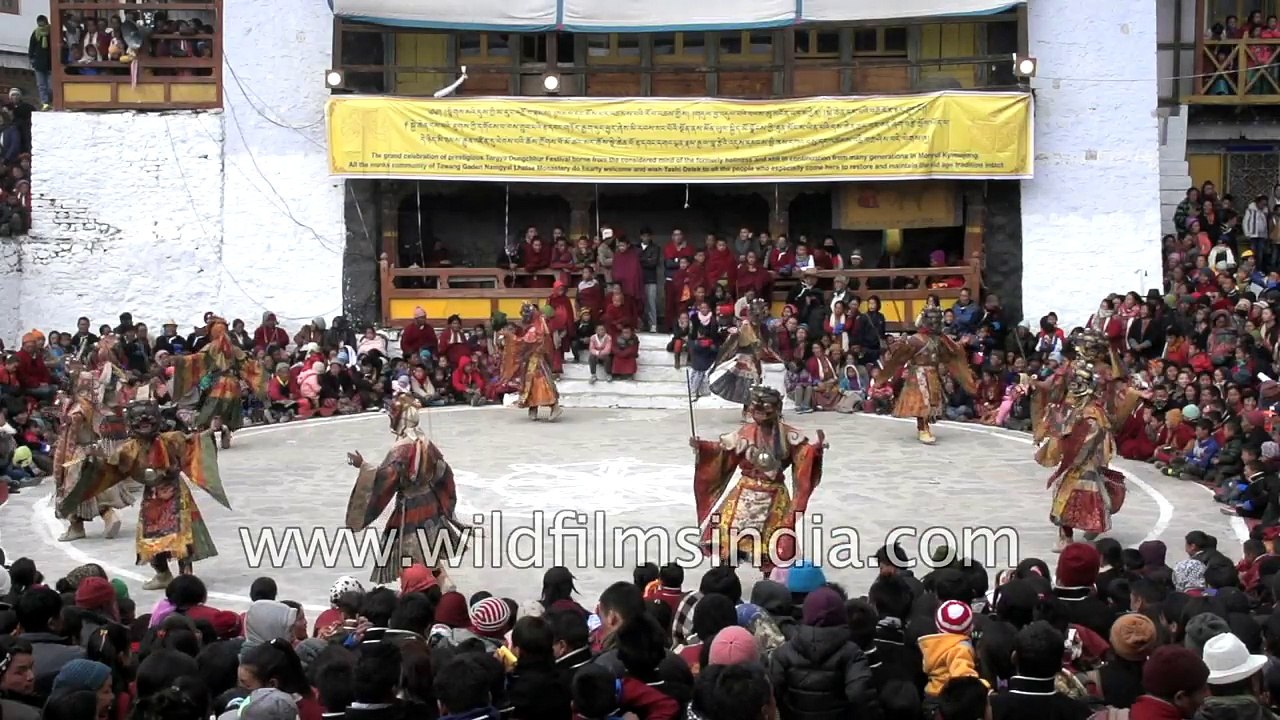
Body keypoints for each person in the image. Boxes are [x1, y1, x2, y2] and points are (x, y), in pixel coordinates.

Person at [57, 400, 229, 590]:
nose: (144, 422)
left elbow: (193, 444)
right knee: (151, 538)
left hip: (176, 493)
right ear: (131, 423)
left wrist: (209, 432)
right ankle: (163, 574)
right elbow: (110, 466)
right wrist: (94, 460)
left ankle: (185, 574)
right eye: (138, 420)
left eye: (148, 418)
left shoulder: (171, 439)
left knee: (182, 535)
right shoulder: (128, 449)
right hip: (152, 497)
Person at [690, 386, 825, 574]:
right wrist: (703, 447)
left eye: (765, 408)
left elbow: (804, 453)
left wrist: (815, 451)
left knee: (771, 544)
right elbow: (723, 449)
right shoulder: (745, 432)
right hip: (744, 492)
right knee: (730, 538)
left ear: (776, 409)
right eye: (755, 407)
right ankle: (725, 578)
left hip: (774, 493)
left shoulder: (789, 435)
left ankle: (770, 583)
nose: (758, 412)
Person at [345, 392, 465, 588]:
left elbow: (387, 477)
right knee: (428, 550)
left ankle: (420, 590)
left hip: (410, 506)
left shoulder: (401, 449)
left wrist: (364, 466)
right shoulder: (425, 442)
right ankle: (442, 582)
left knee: (408, 554)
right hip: (430, 502)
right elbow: (443, 470)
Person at [1035, 361, 1127, 550]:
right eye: (1074, 382)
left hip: (1086, 460)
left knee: (1078, 495)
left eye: (1079, 383)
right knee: (1064, 495)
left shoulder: (1093, 413)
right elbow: (1063, 428)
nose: (1074, 386)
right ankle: (1066, 535)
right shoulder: (1074, 407)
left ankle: (1079, 531)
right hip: (1074, 458)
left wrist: (1073, 454)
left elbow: (1091, 437)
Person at [51, 370, 136, 543]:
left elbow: (72, 432)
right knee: (97, 489)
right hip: (96, 449)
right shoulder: (96, 405)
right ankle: (109, 517)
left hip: (79, 453)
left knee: (74, 490)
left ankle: (76, 527)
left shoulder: (78, 408)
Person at [878, 307, 977, 445]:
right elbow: (900, 358)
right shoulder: (915, 340)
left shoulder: (940, 339)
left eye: (937, 319)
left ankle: (924, 427)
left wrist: (961, 345)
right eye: (932, 319)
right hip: (918, 373)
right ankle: (923, 428)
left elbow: (949, 354)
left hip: (933, 373)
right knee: (923, 403)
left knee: (931, 403)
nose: (935, 322)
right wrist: (899, 347)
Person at [170, 316, 266, 449]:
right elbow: (246, 364)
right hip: (233, 383)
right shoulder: (233, 349)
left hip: (218, 384)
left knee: (210, 412)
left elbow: (196, 360)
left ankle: (211, 434)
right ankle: (226, 428)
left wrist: (181, 360)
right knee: (228, 410)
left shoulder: (211, 347)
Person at [497, 302, 562, 422]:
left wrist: (509, 337)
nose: (523, 318)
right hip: (533, 360)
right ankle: (533, 407)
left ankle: (553, 406)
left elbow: (523, 344)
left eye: (524, 316)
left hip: (536, 361)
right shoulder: (537, 326)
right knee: (531, 384)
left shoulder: (534, 329)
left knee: (539, 384)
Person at [28, 17, 52, 109]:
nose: (41, 27)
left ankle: (50, 100)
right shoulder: (36, 33)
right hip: (39, 63)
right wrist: (32, 59)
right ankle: (44, 103)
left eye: (43, 24)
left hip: (50, 63)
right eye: (40, 25)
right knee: (41, 85)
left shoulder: (51, 32)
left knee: (51, 86)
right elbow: (31, 48)